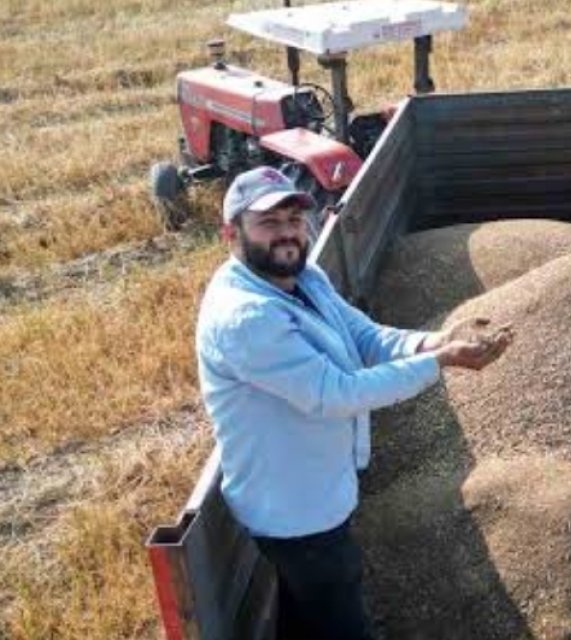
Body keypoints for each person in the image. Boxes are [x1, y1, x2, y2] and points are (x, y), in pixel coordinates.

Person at [195, 167, 511, 639]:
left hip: (317, 488)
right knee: (342, 622)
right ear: (230, 234)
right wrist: (441, 361)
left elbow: (365, 336)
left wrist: (436, 340)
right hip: (294, 511)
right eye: (268, 223)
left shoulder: (304, 277)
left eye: (293, 219)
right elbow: (336, 394)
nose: (286, 233)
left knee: (309, 615)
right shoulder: (245, 319)